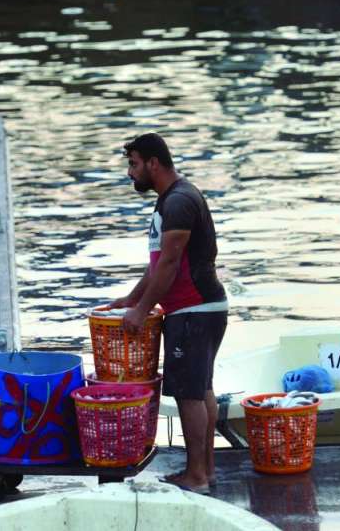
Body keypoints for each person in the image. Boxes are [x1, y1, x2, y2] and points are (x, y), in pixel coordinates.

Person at [111, 133, 227, 494]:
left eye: (134, 164)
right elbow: (158, 264)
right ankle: (205, 471)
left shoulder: (178, 201)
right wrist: (133, 299)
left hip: (193, 310)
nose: (130, 173)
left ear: (153, 163)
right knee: (202, 389)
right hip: (201, 308)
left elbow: (171, 264)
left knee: (190, 394)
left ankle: (196, 476)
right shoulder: (173, 199)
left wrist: (142, 311)